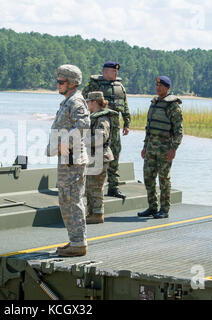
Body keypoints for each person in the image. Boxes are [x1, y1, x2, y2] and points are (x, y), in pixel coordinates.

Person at [47, 64, 90, 257]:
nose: (58, 84)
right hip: (67, 158)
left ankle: (79, 243)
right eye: (57, 81)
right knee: (66, 199)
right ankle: (75, 240)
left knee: (72, 199)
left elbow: (83, 126)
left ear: (72, 83)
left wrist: (63, 142)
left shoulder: (76, 102)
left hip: (72, 158)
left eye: (61, 81)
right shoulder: (68, 101)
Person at [82, 61, 130, 200]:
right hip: (98, 125)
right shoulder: (94, 84)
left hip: (115, 128)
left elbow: (125, 105)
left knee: (115, 155)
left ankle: (113, 187)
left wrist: (127, 122)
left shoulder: (119, 86)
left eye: (117, 71)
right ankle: (88, 186)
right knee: (95, 155)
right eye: (113, 71)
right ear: (105, 71)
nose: (116, 73)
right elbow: (84, 102)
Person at [138, 76, 183, 219]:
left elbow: (178, 131)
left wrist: (173, 149)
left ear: (167, 88)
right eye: (156, 85)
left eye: (161, 86)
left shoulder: (173, 106)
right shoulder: (154, 102)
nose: (158, 88)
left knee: (164, 180)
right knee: (148, 178)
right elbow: (149, 127)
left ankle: (164, 209)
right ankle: (152, 207)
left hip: (165, 149)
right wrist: (145, 146)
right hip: (151, 147)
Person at [85, 91, 118, 224]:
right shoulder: (95, 117)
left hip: (101, 156)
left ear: (94, 102)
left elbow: (101, 138)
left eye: (88, 101)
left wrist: (82, 140)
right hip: (94, 156)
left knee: (96, 186)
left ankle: (98, 214)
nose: (87, 103)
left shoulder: (102, 119)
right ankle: (92, 212)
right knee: (89, 186)